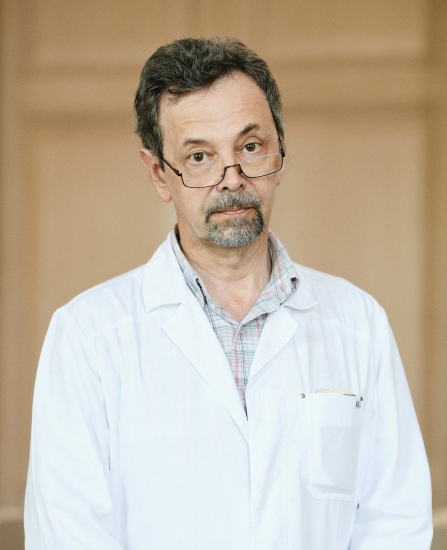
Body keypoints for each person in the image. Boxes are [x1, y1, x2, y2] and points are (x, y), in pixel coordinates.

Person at [24, 36, 432, 549]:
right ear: (159, 174)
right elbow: (68, 535)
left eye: (251, 147)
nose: (232, 179)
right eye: (199, 156)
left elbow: (394, 523)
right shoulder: (86, 336)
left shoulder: (358, 322)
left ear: (280, 152)